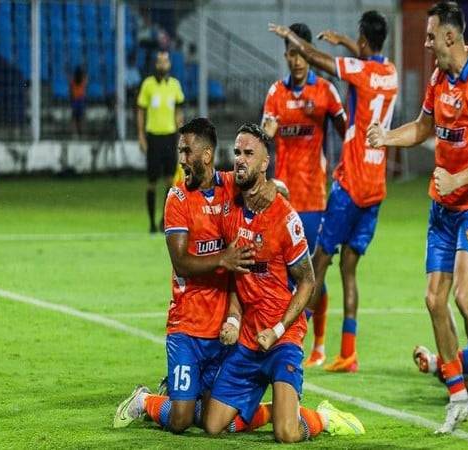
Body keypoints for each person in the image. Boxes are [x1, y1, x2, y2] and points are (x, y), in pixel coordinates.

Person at [367, 1, 468, 433]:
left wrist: (456, 179)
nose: (425, 43)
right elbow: (424, 129)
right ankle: (458, 397)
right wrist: (386, 136)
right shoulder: (437, 79)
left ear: (450, 36)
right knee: (433, 300)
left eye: (430, 36)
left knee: (463, 296)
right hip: (442, 207)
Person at [112, 118, 283, 434]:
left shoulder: (230, 186)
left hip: (221, 331)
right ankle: (145, 399)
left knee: (215, 421)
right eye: (179, 151)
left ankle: (283, 412)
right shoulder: (177, 198)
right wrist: (224, 258)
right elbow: (181, 262)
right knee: (180, 421)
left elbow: (265, 184)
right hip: (187, 327)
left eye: (186, 151)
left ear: (206, 155)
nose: (181, 159)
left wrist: (273, 186)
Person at [202, 123, 365, 443]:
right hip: (249, 339)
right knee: (212, 426)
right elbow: (239, 279)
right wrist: (234, 319)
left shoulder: (285, 217)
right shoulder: (230, 202)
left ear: (264, 163)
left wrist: (277, 331)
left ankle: (322, 417)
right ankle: (277, 407)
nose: (240, 159)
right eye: (236, 152)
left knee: (287, 434)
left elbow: (308, 281)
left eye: (249, 153)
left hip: (282, 337)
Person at [269, 11, 398, 373]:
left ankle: (296, 340)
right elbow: (364, 61)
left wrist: (295, 40)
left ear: (363, 40)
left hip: (349, 184)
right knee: (350, 270)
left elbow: (318, 60)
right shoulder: (390, 72)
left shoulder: (351, 77)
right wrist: (346, 42)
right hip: (377, 187)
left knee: (318, 265)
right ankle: (348, 352)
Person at [261, 22, 346, 368]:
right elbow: (265, 130)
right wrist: (267, 132)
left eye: (301, 54)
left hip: (313, 200)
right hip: (281, 200)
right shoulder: (275, 93)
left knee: (313, 275)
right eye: (291, 54)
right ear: (286, 56)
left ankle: (320, 345)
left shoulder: (325, 91)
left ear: (309, 55)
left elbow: (348, 130)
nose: (297, 61)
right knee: (280, 275)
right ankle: (289, 338)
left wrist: (348, 168)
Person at [137, 50, 185, 233]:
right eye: (159, 61)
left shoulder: (175, 85)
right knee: (151, 181)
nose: (162, 65)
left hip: (169, 137)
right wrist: (141, 135)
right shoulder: (148, 85)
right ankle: (151, 222)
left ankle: (163, 220)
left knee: (169, 181)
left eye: (165, 61)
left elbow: (179, 112)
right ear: (155, 64)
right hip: (153, 137)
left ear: (169, 65)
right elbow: (141, 111)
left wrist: (181, 135)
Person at [70, 66, 87, 137]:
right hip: (79, 101)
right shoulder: (82, 81)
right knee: (79, 118)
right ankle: (80, 133)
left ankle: (76, 133)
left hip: (76, 101)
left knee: (76, 118)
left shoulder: (74, 81)